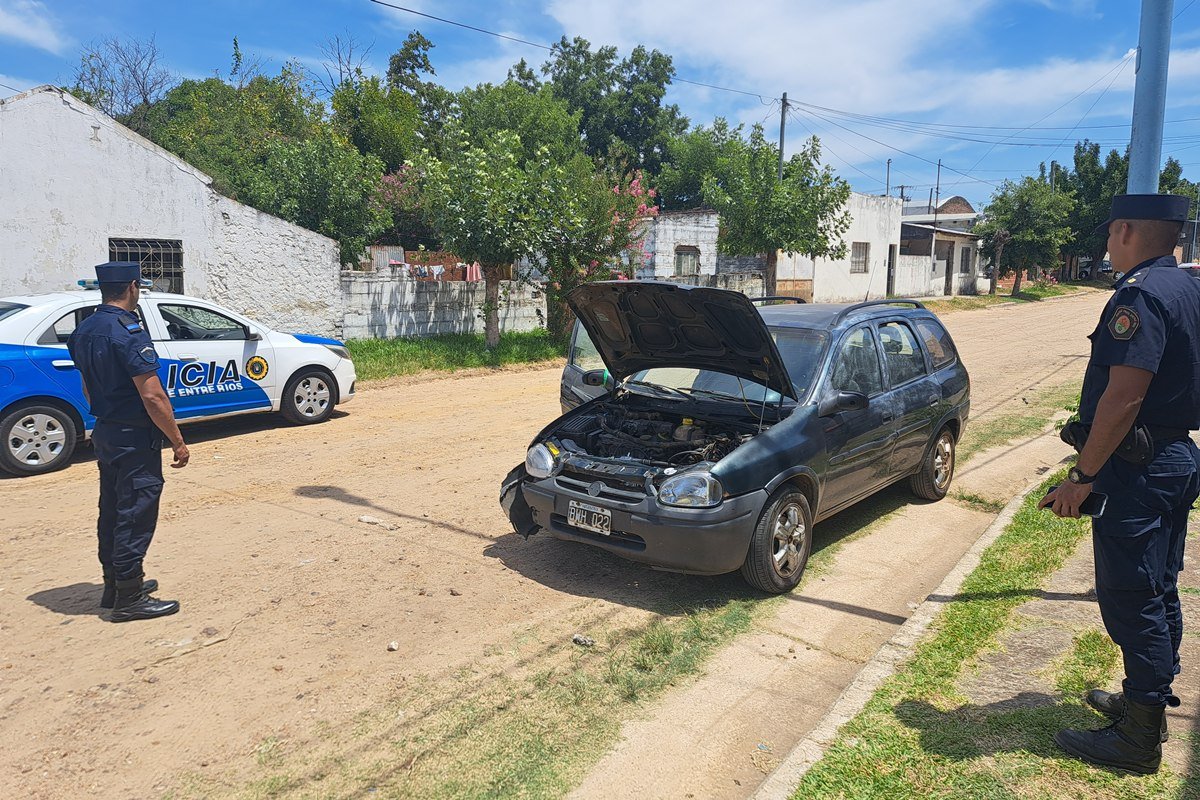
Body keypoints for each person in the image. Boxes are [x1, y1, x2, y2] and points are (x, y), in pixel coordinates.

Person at [1041, 194, 1200, 774]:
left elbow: (1124, 394)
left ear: (1127, 229)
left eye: (1110, 234)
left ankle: (1138, 740)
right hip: (1174, 456)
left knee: (1134, 597)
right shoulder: (1186, 287)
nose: (1107, 244)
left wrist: (1083, 476)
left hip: (1139, 469)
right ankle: (1144, 703)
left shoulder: (1139, 296)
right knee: (1158, 586)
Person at [67, 262, 189, 622]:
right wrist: (177, 441)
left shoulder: (85, 328)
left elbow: (87, 384)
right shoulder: (128, 332)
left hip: (106, 430)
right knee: (135, 511)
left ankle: (114, 584)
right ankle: (130, 598)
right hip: (134, 436)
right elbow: (153, 397)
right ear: (133, 287)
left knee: (113, 507)